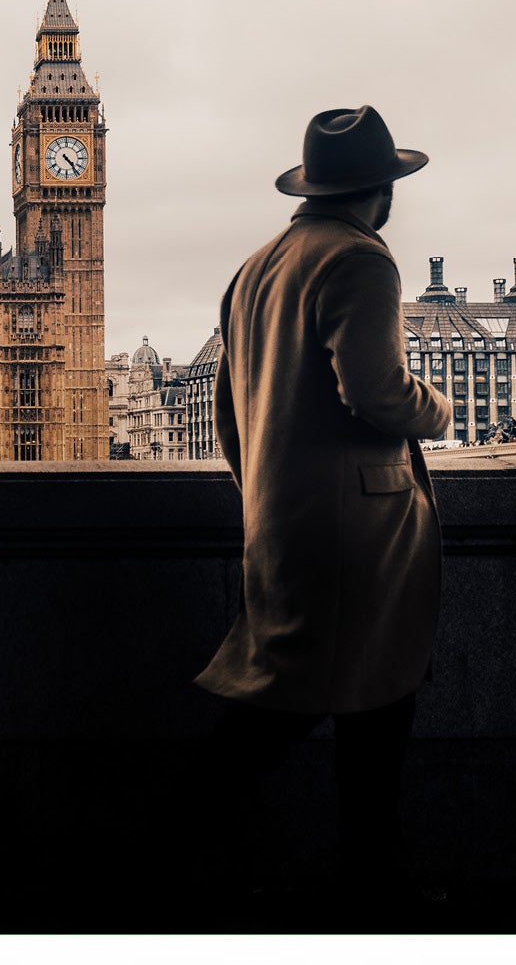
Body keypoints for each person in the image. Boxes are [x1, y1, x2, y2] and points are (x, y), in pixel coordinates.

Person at [194, 105, 452, 920]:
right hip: (359, 534)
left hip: (282, 519)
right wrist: (439, 412)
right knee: (355, 712)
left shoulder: (256, 267)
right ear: (382, 190)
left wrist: (262, 490)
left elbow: (229, 411)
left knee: (306, 702)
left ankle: (368, 880)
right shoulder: (359, 258)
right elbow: (377, 392)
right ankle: (364, 887)